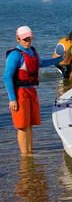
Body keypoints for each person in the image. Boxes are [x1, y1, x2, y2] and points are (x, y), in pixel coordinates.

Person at [3, 26, 64, 154]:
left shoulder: (32, 51)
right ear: (18, 39)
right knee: (22, 126)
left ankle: (30, 151)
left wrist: (60, 59)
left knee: (30, 123)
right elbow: (7, 77)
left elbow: (41, 63)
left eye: (30, 38)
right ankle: (25, 156)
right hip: (20, 92)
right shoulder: (15, 54)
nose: (28, 41)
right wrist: (12, 99)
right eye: (25, 39)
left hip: (32, 91)